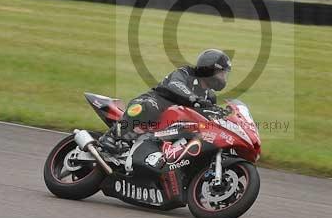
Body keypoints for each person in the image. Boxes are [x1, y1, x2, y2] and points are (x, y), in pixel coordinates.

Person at [98, 49, 232, 154]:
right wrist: (194, 99)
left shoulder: (210, 97)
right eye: (221, 73)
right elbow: (175, 84)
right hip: (154, 101)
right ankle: (111, 136)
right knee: (148, 107)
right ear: (209, 69)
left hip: (173, 125)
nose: (223, 78)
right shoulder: (185, 72)